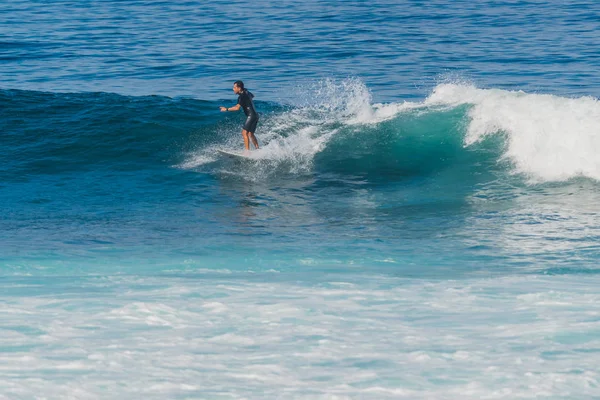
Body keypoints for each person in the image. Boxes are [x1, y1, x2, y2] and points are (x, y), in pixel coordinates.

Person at [220, 81, 259, 150]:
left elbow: (237, 108)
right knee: (250, 134)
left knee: (244, 133)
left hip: (251, 116)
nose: (233, 89)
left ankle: (247, 152)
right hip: (256, 115)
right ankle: (257, 148)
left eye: (234, 87)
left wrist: (226, 109)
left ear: (239, 88)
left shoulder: (241, 97)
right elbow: (252, 96)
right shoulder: (247, 92)